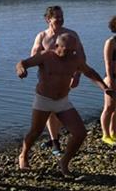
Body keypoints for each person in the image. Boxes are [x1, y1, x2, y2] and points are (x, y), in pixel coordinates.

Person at [17, 33, 114, 175]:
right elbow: (23, 63)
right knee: (35, 131)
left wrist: (105, 88)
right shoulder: (45, 56)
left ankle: (64, 162)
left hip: (62, 101)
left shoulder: (75, 60)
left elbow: (90, 72)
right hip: (44, 99)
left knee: (80, 133)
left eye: (72, 50)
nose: (70, 53)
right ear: (57, 46)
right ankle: (23, 155)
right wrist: (20, 69)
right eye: (66, 50)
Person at [31, 6, 86, 155]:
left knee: (59, 108)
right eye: (57, 17)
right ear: (48, 19)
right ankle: (55, 141)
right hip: (46, 78)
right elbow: (34, 56)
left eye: (62, 16)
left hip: (65, 77)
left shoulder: (70, 35)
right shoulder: (42, 36)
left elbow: (81, 56)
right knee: (50, 110)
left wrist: (77, 75)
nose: (61, 19)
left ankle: (54, 137)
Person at [101, 16, 116, 146]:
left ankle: (113, 132)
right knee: (109, 107)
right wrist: (110, 79)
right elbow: (107, 62)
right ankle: (105, 135)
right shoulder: (111, 42)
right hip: (111, 77)